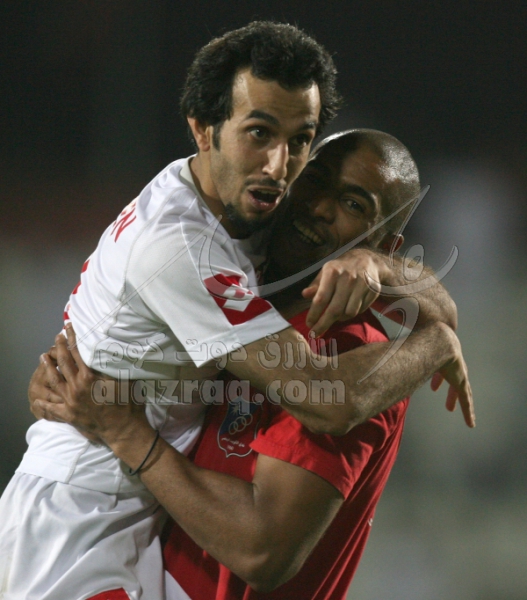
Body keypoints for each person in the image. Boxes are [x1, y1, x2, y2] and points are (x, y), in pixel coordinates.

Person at [31, 129, 474, 600]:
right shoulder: (243, 280)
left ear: (387, 244)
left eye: (353, 205)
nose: (320, 206)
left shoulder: (348, 353)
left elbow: (262, 551)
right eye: (315, 179)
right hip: (141, 571)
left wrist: (127, 435)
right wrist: (65, 387)